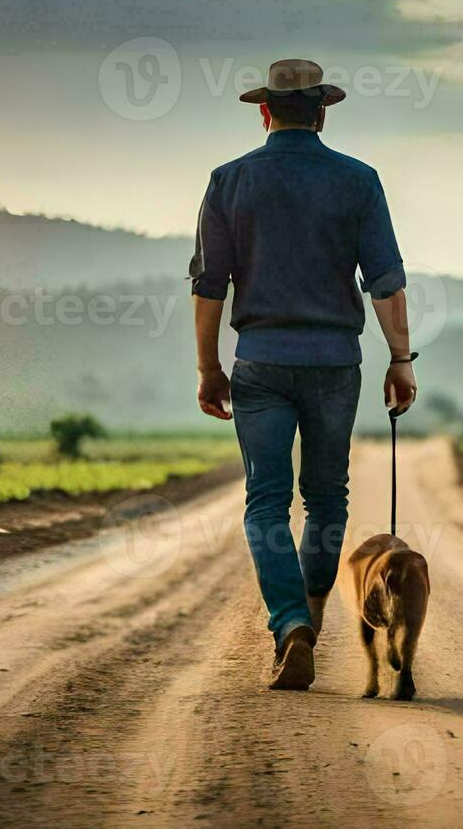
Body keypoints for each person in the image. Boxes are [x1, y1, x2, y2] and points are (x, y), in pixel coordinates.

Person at [188, 58, 418, 691]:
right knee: (326, 496)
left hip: (258, 361)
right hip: (334, 362)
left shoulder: (228, 181)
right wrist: (400, 359)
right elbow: (386, 281)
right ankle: (312, 615)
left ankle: (289, 625)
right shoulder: (359, 181)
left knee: (265, 500)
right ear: (321, 113)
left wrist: (209, 368)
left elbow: (209, 286)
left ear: (265, 112)